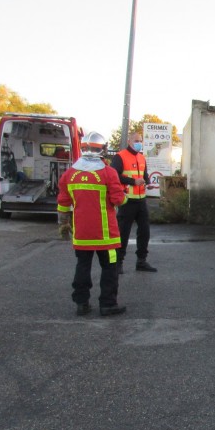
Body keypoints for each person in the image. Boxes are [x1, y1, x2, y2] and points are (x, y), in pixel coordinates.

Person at [56, 131, 128, 317]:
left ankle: (82, 303)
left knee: (82, 267)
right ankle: (107, 304)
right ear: (102, 149)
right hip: (107, 236)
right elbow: (118, 200)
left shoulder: (69, 174)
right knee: (110, 269)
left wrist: (63, 225)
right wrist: (125, 196)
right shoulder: (108, 173)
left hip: (82, 235)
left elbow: (63, 204)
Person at [111, 132, 157, 273]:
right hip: (127, 200)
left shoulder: (142, 157)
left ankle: (141, 261)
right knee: (123, 233)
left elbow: (144, 175)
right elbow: (114, 176)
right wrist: (132, 181)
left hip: (141, 199)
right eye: (136, 140)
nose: (139, 143)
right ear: (129, 141)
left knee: (144, 231)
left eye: (140, 141)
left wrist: (148, 183)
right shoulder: (120, 156)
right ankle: (118, 262)